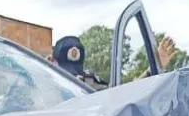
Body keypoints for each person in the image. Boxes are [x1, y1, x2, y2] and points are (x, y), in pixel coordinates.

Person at [49, 34, 177, 89]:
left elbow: (122, 94)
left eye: (75, 73)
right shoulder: (40, 87)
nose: (74, 78)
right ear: (51, 61)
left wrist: (151, 70)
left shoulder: (88, 83)